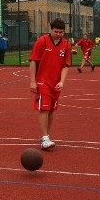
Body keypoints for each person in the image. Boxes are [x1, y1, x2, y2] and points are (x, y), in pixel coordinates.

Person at [29, 18, 71, 150]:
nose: (58, 34)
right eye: (56, 31)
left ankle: (46, 136)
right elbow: (33, 61)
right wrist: (32, 81)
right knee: (45, 109)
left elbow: (65, 65)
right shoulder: (42, 41)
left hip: (56, 83)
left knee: (52, 110)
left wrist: (62, 81)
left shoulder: (66, 45)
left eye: (61, 32)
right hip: (42, 81)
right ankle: (45, 137)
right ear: (51, 29)